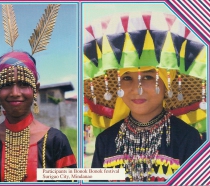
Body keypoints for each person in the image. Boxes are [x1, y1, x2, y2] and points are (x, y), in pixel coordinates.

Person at [83, 12, 206, 182]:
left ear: (166, 84)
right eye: (127, 78)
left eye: (148, 77)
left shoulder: (187, 137)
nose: (136, 89)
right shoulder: (106, 139)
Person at [0, 51, 77, 182]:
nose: (15, 93)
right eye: (6, 85)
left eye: (24, 84)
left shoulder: (56, 141)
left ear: (36, 89)